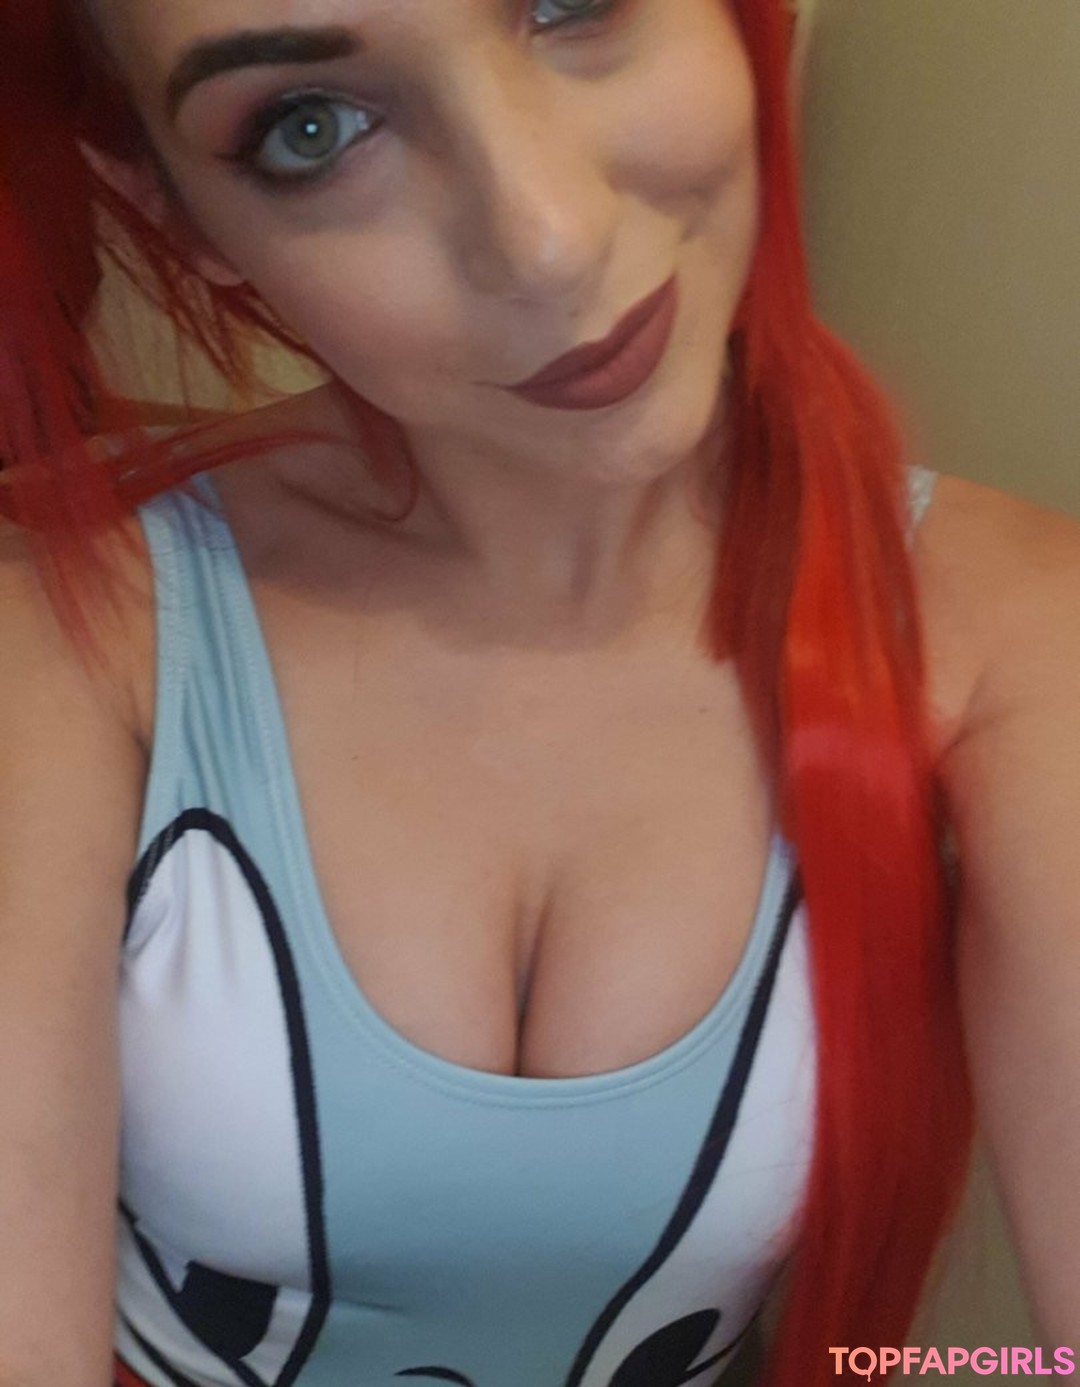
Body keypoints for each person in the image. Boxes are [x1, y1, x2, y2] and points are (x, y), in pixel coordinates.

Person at [0, 0, 1076, 1384]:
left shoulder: (1014, 635)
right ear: (176, 209)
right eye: (309, 128)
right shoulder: (65, 630)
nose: (547, 238)